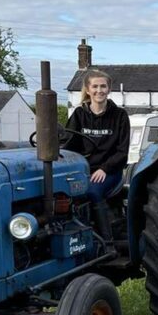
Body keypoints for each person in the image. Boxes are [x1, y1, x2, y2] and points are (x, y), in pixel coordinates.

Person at [65, 69, 130, 239]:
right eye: (95, 86)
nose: (99, 90)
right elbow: (68, 144)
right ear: (88, 89)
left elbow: (122, 152)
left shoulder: (120, 116)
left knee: (92, 191)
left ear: (109, 89)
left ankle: (107, 241)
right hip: (84, 171)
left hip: (109, 171)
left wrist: (104, 169)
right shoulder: (79, 115)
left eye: (103, 86)